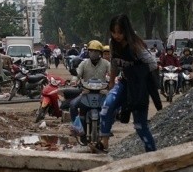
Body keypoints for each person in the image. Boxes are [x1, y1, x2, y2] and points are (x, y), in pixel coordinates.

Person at [99, 14, 158, 153]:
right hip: (124, 83)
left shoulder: (136, 46)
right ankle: (104, 142)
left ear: (126, 31)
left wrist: (136, 73)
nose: (116, 36)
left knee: (140, 125)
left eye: (119, 32)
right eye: (113, 32)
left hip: (138, 88)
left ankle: (151, 153)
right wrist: (112, 81)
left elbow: (153, 64)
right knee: (107, 107)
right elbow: (114, 63)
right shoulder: (113, 44)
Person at [67, 40, 110, 142]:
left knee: (113, 107)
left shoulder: (106, 64)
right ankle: (77, 128)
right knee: (73, 105)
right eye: (91, 51)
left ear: (100, 53)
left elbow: (112, 75)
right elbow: (77, 74)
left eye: (95, 51)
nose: (93, 53)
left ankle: (107, 128)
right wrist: (74, 81)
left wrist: (113, 81)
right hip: (86, 92)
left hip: (101, 92)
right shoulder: (84, 63)